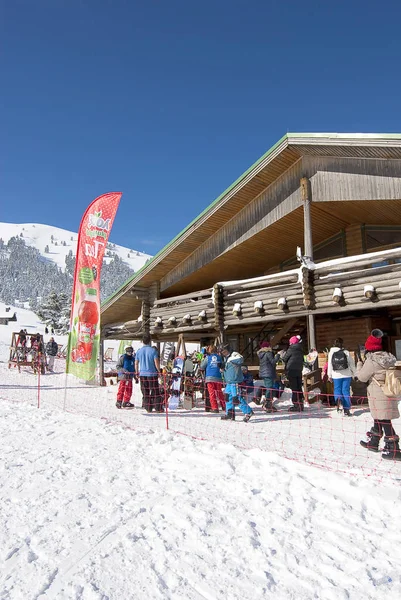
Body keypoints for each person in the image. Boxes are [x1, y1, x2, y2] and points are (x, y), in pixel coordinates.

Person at [357, 329, 401, 460]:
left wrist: (360, 363)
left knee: (384, 420)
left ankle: (394, 448)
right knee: (379, 415)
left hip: (378, 393)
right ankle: (374, 442)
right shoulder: (388, 358)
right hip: (388, 391)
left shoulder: (372, 361)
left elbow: (362, 377)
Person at [220, 344, 253, 422]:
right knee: (227, 397)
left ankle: (248, 412)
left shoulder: (234, 355)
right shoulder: (225, 358)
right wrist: (222, 368)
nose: (224, 353)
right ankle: (230, 413)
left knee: (236, 398)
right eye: (222, 352)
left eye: (225, 351)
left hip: (234, 381)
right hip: (229, 381)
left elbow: (240, 359)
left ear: (228, 349)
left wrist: (230, 359)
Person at [327, 338, 356, 416]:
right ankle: (346, 409)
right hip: (347, 374)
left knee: (337, 389)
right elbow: (351, 364)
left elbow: (330, 364)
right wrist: (355, 374)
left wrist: (329, 375)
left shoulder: (331, 352)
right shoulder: (346, 352)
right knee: (346, 391)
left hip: (336, 374)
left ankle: (339, 400)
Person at [135, 334, 163, 412]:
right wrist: (158, 371)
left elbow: (136, 363)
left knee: (145, 391)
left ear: (142, 341)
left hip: (142, 374)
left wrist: (137, 372)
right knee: (155, 391)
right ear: (150, 341)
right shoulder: (153, 351)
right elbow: (156, 362)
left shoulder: (139, 351)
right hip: (152, 374)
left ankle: (148, 408)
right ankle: (158, 408)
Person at [200, 345, 226, 413]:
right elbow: (223, 365)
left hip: (210, 378)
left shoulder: (207, 358)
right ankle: (224, 406)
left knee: (212, 393)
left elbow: (202, 366)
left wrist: (202, 360)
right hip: (218, 377)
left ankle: (215, 408)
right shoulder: (219, 357)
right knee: (219, 393)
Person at [283, 335, 305, 412]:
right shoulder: (300, 349)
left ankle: (296, 404)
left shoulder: (291, 349)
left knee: (294, 387)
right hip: (299, 370)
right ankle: (301, 403)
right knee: (299, 386)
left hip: (291, 370)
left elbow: (284, 358)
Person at [257, 341, 280, 412]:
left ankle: (267, 403)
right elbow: (273, 362)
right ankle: (267, 404)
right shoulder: (268, 353)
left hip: (264, 373)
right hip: (269, 373)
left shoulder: (261, 354)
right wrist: (278, 356)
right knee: (269, 388)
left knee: (269, 388)